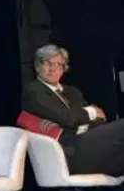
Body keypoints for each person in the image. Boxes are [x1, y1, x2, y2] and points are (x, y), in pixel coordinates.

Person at [22, 44, 124, 176]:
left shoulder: (73, 92)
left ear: (64, 68)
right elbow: (67, 118)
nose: (53, 68)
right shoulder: (33, 91)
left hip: (90, 142)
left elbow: (100, 118)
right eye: (47, 63)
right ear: (37, 66)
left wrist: (83, 118)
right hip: (69, 152)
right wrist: (90, 111)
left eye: (58, 64)